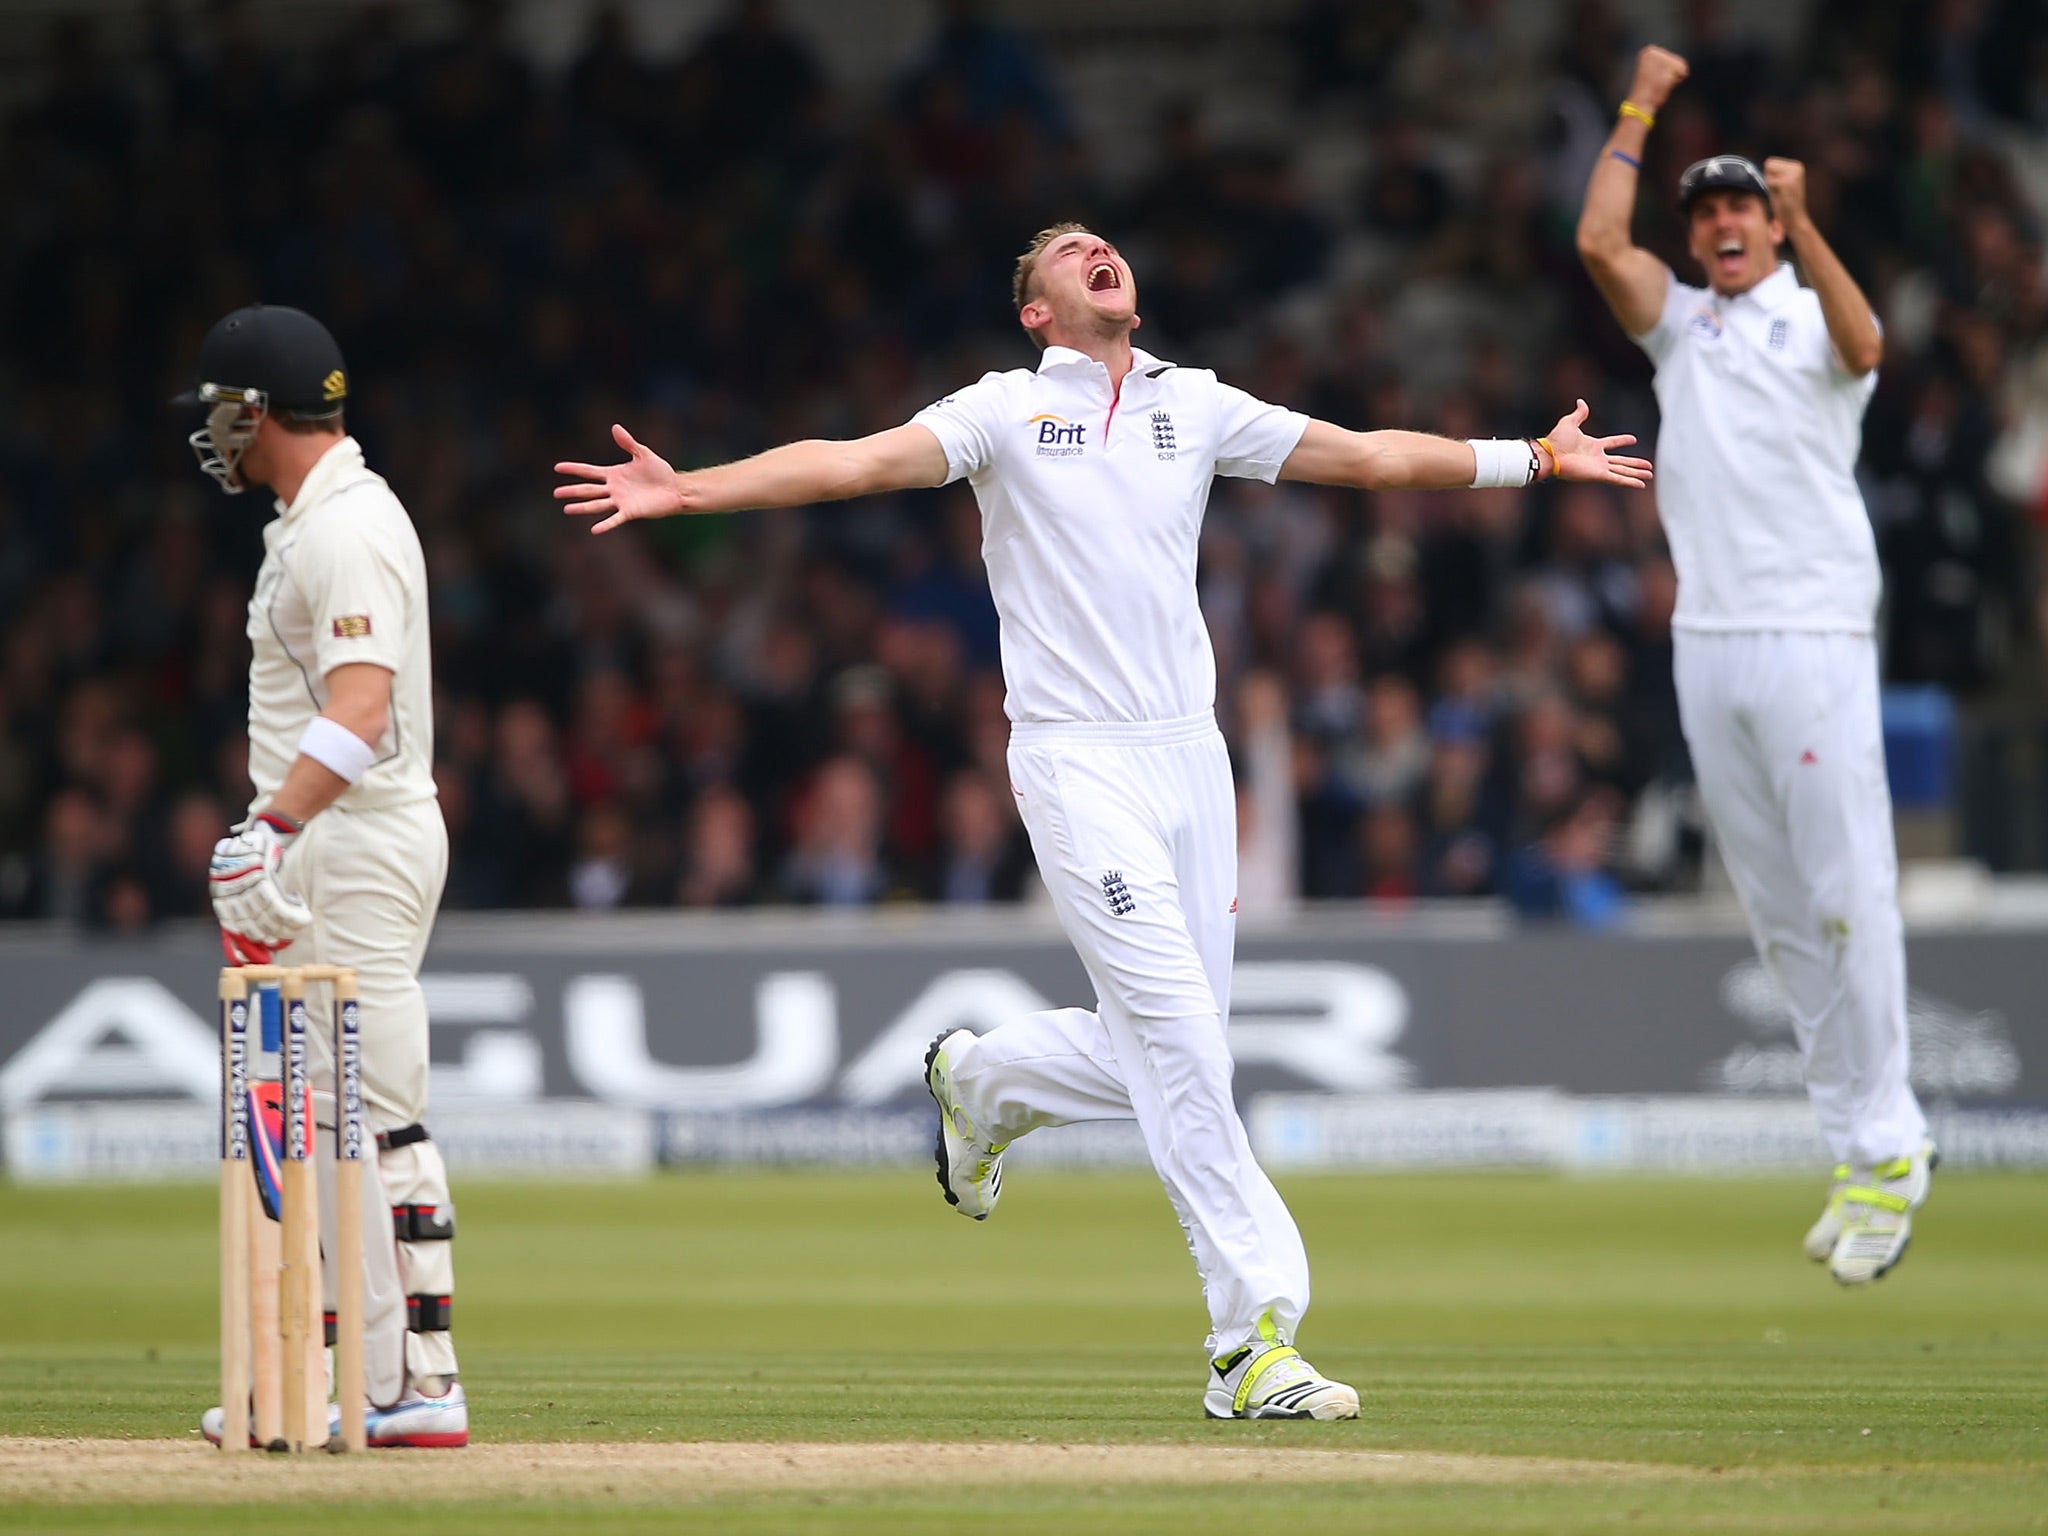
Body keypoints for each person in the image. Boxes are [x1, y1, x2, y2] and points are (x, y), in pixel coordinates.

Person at [557, 223, 1649, 1419]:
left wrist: (1531, 461)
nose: (1096, 252)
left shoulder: (1197, 403)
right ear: (1035, 313)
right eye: (1064, 255)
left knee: (1179, 1050)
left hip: (1191, 761)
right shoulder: (1003, 412)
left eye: (1103, 243)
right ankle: (1252, 1345)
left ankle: (982, 1082)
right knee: (1180, 1041)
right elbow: (855, 463)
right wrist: (689, 488)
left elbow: (1369, 456)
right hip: (1075, 767)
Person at [1576, 48, 1933, 1285]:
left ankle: (1893, 1150)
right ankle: (1851, 1151)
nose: (1721, 224)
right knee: (1781, 921)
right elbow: (1594, 243)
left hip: (1814, 630)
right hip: (1709, 643)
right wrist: (1636, 107)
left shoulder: (1808, 309)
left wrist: (1810, 221)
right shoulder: (1682, 327)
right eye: (1707, 212)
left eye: (1741, 208)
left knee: (1847, 893)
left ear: (1772, 224)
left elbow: (1866, 342)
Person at [181, 304, 468, 1445]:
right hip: (339, 839)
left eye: (218, 410)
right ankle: (332, 1376)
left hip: (355, 842)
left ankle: (413, 1387)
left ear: (257, 410)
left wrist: (274, 829)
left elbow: (364, 705)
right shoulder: (311, 521)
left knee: (374, 1118)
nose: (210, 431)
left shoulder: (347, 524)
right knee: (327, 1118)